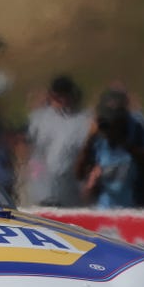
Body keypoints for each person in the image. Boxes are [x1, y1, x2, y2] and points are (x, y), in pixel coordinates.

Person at [19, 75, 90, 207]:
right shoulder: (39, 118)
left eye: (64, 96)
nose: (61, 101)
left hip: (69, 187)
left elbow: (87, 152)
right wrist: (27, 168)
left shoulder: (83, 121)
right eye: (57, 97)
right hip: (41, 186)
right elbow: (24, 142)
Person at [75, 89, 144, 209]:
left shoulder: (136, 130)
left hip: (129, 207)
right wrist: (90, 139)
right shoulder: (98, 139)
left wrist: (123, 143)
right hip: (103, 206)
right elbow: (79, 174)